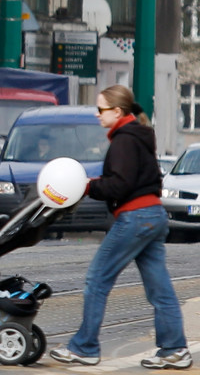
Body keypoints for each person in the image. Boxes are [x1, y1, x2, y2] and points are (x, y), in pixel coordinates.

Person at [50, 85, 191, 369]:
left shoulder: (124, 140)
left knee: (97, 280)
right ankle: (174, 349)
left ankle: (84, 347)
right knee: (159, 289)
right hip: (153, 215)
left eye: (101, 109)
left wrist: (88, 186)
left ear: (117, 111)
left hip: (135, 217)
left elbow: (120, 183)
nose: (97, 114)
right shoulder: (139, 136)